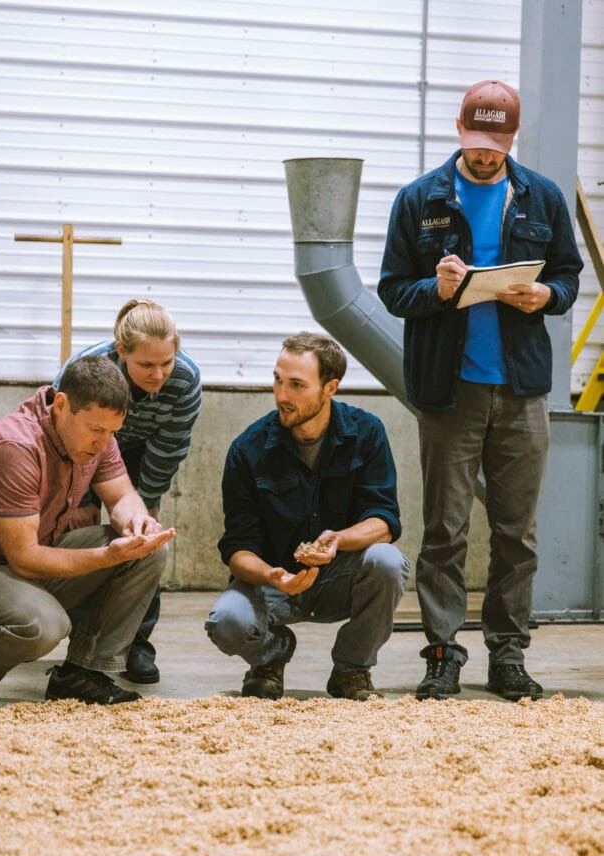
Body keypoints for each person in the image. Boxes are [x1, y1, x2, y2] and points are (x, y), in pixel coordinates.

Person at [377, 79, 583, 703]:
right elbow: (392, 290)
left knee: (516, 532)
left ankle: (508, 654)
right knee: (444, 529)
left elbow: (569, 277)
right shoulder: (421, 199)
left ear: (512, 138)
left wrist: (547, 296)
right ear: (459, 131)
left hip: (521, 390)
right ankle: (442, 653)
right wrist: (435, 291)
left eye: (497, 143)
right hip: (449, 389)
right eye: (476, 141)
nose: (485, 154)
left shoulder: (542, 197)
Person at [0, 355, 175, 709]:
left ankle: (82, 674)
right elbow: (25, 559)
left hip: (30, 554)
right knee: (45, 625)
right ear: (61, 405)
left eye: (112, 432)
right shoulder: (13, 448)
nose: (104, 443)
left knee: (148, 552)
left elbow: (121, 495)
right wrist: (107, 555)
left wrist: (136, 522)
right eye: (97, 431)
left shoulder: (96, 433)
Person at [204, 331, 409, 700]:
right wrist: (272, 575)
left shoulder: (367, 433)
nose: (282, 395)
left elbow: (384, 521)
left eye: (297, 385)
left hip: (339, 577)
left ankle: (352, 670)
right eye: (278, 380)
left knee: (387, 561)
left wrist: (338, 539)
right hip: (272, 584)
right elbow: (237, 547)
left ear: (330, 387)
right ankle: (271, 656)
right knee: (227, 622)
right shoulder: (248, 449)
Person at [54, 298, 201, 685]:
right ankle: (85, 638)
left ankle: (137, 643)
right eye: (146, 365)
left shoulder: (186, 380)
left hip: (144, 449)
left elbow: (171, 446)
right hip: (87, 443)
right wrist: (80, 500)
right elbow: (62, 437)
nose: (158, 374)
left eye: (166, 362)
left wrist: (146, 502)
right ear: (121, 352)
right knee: (83, 533)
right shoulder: (84, 371)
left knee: (143, 537)